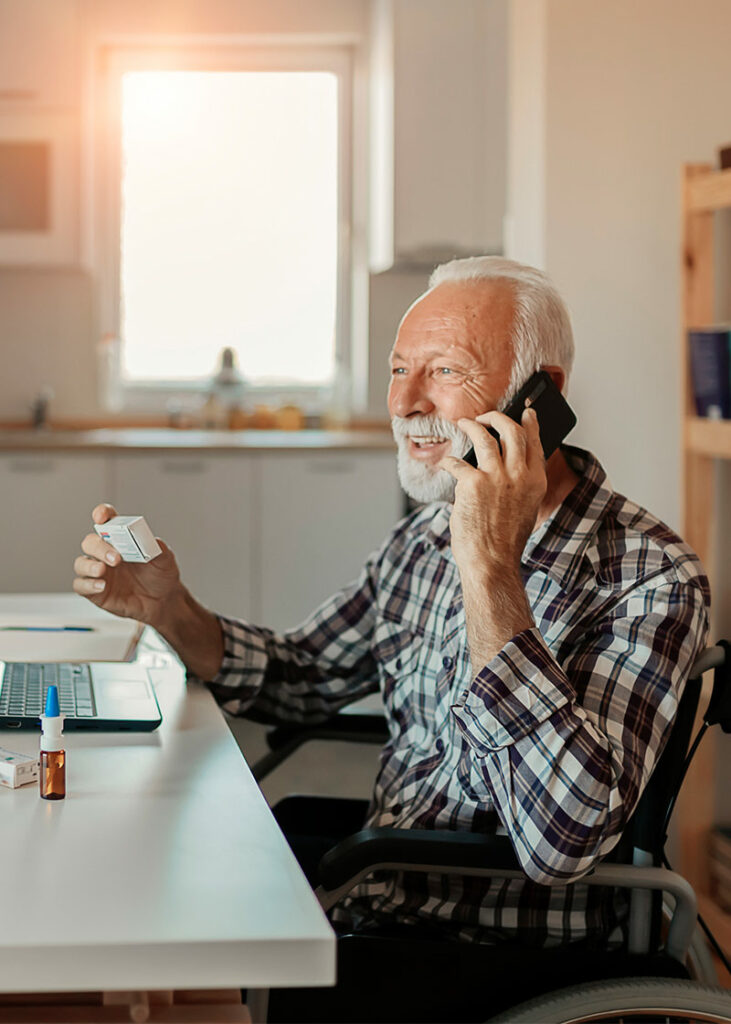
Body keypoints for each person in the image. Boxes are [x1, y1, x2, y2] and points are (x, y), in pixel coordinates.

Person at [73, 257, 709, 1009]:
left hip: (490, 951)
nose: (405, 402)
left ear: (542, 397)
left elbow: (561, 842)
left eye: (443, 370)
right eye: (397, 368)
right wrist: (169, 609)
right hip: (376, 892)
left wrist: (490, 568)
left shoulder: (648, 576)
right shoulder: (422, 538)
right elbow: (302, 677)